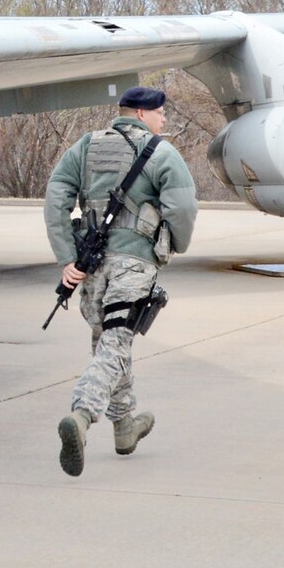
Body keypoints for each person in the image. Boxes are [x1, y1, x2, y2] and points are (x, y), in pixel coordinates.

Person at [43, 85, 198, 477]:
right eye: (161, 113)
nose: (164, 119)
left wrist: (66, 257)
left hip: (92, 267)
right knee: (115, 344)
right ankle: (80, 416)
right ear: (143, 115)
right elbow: (182, 206)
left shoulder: (86, 146)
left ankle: (125, 426)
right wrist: (175, 244)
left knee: (108, 340)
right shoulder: (161, 152)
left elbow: (56, 195)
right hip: (134, 264)